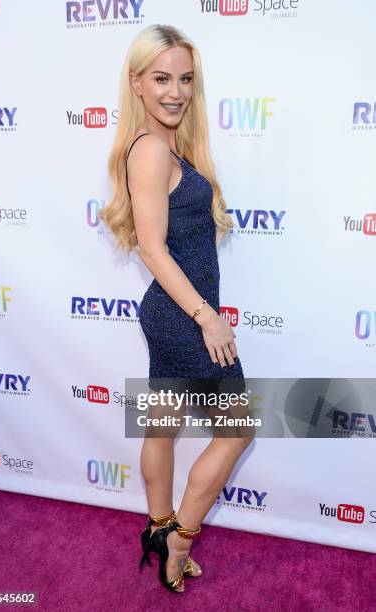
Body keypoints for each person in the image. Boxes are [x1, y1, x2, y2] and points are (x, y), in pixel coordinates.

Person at [100, 24, 255, 593]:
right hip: (183, 315)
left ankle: (160, 528)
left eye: (185, 78)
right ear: (136, 82)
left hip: (171, 312)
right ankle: (179, 540)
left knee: (161, 426)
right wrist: (206, 316)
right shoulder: (151, 150)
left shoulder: (166, 144)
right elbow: (151, 247)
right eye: (161, 78)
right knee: (237, 432)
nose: (175, 91)